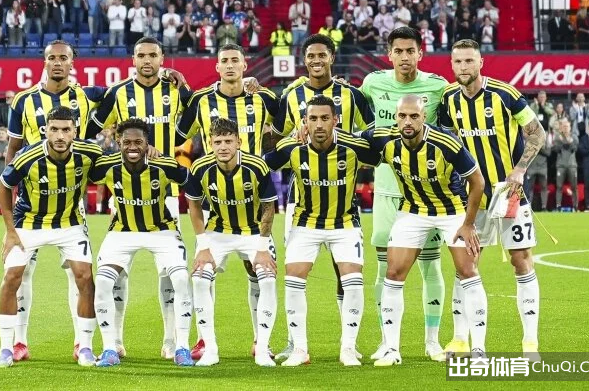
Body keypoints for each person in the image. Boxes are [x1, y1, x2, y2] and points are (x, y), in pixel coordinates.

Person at [439, 39, 546, 361]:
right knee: (465, 266)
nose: (463, 67)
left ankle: (530, 343)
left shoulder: (505, 94)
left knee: (521, 260)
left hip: (508, 194)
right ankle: (460, 339)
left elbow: (537, 133)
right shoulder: (448, 99)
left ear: (480, 62)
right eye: (458, 62)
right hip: (472, 198)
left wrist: (520, 169)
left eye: (469, 61)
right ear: (452, 64)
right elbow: (445, 142)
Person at [269, 33, 374, 362]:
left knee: (347, 276)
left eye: (322, 55)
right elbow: (276, 138)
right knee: (295, 275)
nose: (316, 60)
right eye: (311, 55)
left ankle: (349, 345)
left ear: (332, 57)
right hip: (302, 203)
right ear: (304, 60)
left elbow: (372, 136)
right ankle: (296, 345)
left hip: (344, 204)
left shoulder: (352, 95)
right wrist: (292, 136)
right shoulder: (291, 94)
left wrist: (349, 138)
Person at [87, 36, 192, 360]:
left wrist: (185, 83)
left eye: (153, 55)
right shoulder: (118, 93)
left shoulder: (175, 89)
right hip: (125, 194)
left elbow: (198, 111)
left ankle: (171, 341)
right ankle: (115, 341)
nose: (147, 60)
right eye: (141, 55)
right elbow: (88, 129)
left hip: (165, 193)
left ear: (162, 58)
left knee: (168, 272)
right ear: (133, 59)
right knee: (118, 272)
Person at [361, 94, 486, 365]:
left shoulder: (445, 143)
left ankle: (479, 351)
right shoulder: (384, 138)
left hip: (452, 210)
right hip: (413, 211)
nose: (408, 121)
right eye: (402, 116)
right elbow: (349, 141)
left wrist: (468, 224)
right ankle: (392, 350)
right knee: (393, 273)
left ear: (424, 117)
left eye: (414, 116)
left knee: (468, 272)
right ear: (395, 117)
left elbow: (477, 181)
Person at [175, 43, 278, 360]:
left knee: (258, 272)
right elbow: (178, 135)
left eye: (236, 60)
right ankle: (205, 341)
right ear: (217, 67)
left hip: (253, 200)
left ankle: (261, 341)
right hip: (214, 201)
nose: (230, 65)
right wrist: (181, 89)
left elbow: (284, 127)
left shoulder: (262, 98)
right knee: (203, 271)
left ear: (245, 65)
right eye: (225, 61)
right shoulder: (201, 100)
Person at [359, 27, 449, 361]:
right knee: (385, 269)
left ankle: (432, 341)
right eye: (398, 51)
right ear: (389, 54)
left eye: (410, 50)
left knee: (430, 266)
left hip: (426, 193)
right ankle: (387, 341)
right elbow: (350, 108)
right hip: (386, 190)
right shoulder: (372, 83)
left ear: (420, 53)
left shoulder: (438, 87)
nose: (404, 57)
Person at [0, 107, 101, 368]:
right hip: (29, 223)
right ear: (45, 131)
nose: (60, 135)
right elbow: (4, 186)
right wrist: (10, 231)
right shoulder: (27, 157)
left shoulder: (90, 153)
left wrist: (150, 150)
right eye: (54, 129)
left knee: (85, 277)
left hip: (69, 223)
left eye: (66, 130)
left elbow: (120, 161)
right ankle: (6, 349)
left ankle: (85, 347)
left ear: (75, 131)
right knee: (12, 276)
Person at [90, 118, 194, 368]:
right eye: (127, 142)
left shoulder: (164, 164)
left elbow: (193, 184)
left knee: (180, 278)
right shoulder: (106, 165)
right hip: (122, 231)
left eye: (138, 142)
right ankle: (111, 346)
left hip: (162, 231)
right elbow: (83, 172)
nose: (132, 147)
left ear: (148, 143)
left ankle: (180, 346)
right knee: (103, 281)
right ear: (118, 142)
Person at [186, 118, 278, 367]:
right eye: (218, 142)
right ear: (210, 143)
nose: (223, 147)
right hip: (218, 231)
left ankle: (262, 348)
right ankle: (210, 348)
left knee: (268, 279)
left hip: (254, 232)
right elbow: (194, 206)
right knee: (199, 279)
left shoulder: (256, 166)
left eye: (228, 141)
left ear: (239, 141)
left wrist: (262, 248)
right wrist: (202, 246)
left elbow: (268, 207)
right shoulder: (199, 167)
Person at [553, 119, 579, 211]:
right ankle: (558, 206)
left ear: (570, 127)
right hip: (561, 165)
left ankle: (575, 206)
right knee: (559, 186)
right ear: (561, 128)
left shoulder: (574, 137)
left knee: (574, 187)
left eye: (567, 126)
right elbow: (556, 149)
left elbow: (574, 149)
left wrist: (569, 142)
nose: (566, 128)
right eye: (564, 127)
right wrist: (562, 143)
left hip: (572, 165)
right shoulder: (557, 137)